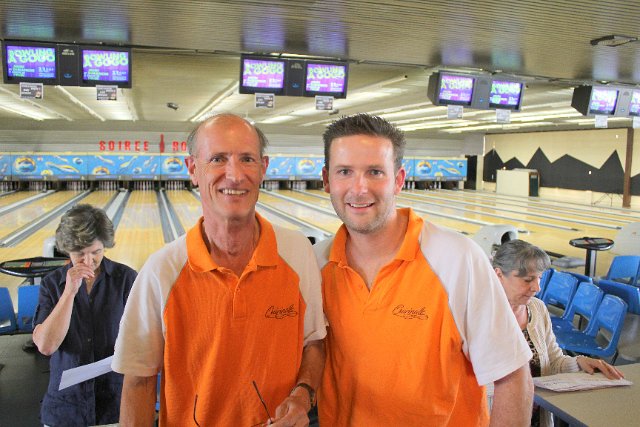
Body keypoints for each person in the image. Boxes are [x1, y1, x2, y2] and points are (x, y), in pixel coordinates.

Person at [314, 113, 534, 426]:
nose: (359, 188)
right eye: (345, 172)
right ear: (326, 180)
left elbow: (512, 374)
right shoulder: (317, 264)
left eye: (375, 172)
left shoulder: (457, 259)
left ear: (398, 180)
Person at [112, 114, 326, 426]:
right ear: (192, 169)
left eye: (247, 159)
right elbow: (138, 381)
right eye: (218, 159)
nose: (235, 174)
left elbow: (315, 343)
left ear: (263, 168)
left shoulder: (297, 252)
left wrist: (303, 395)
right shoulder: (161, 271)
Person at [492, 239, 624, 427]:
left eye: (539, 278)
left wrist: (579, 362)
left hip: (536, 418)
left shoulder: (537, 309)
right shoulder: (477, 316)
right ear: (498, 275)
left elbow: (553, 362)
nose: (537, 288)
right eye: (527, 280)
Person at [33, 204, 137, 426]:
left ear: (105, 246)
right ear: (67, 250)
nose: (88, 261)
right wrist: (69, 292)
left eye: (96, 252)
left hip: (114, 406)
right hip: (65, 409)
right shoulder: (52, 284)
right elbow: (46, 346)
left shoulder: (126, 280)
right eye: (80, 254)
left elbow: (145, 340)